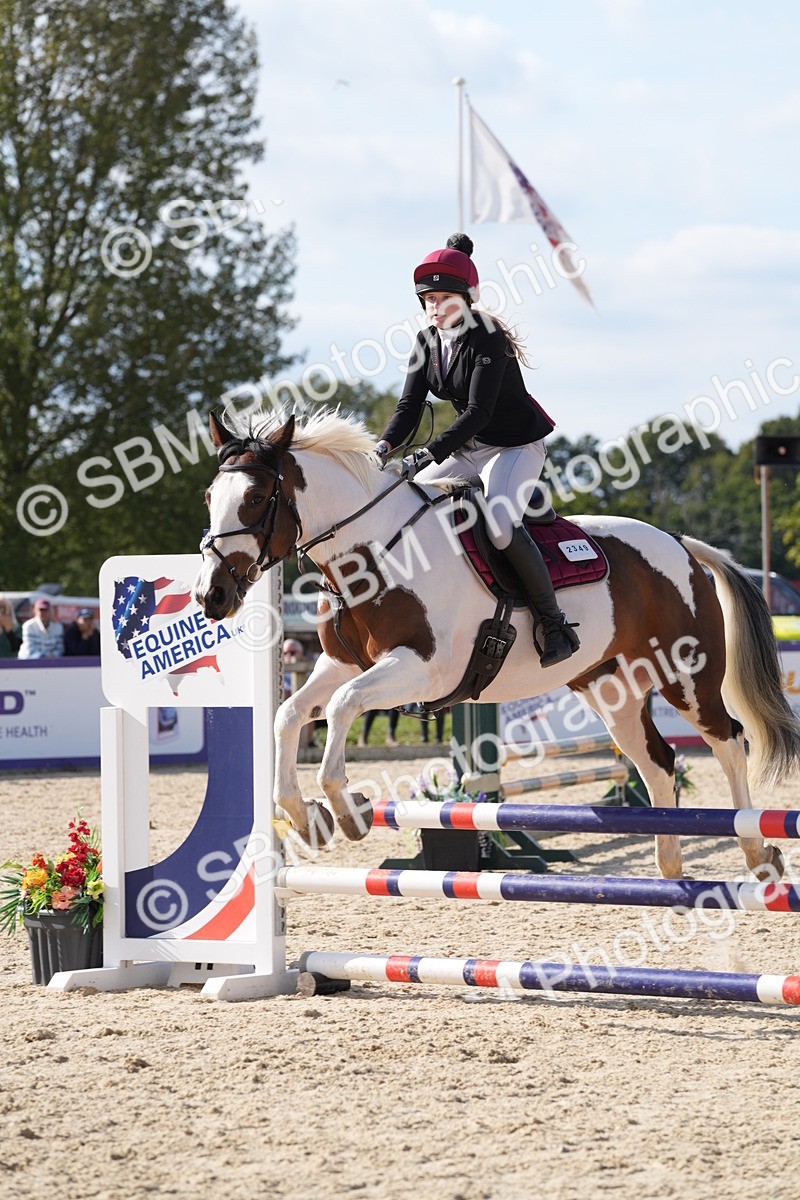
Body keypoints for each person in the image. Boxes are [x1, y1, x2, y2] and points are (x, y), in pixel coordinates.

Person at [375, 233, 580, 668]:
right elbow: (409, 407)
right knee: (407, 505)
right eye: (429, 299)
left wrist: (426, 454)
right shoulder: (426, 342)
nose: (435, 307)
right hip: (470, 449)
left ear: (468, 299)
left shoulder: (488, 338)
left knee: (501, 525)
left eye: (445, 298)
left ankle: (554, 623)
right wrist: (384, 447)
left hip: (515, 446)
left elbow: (478, 412)